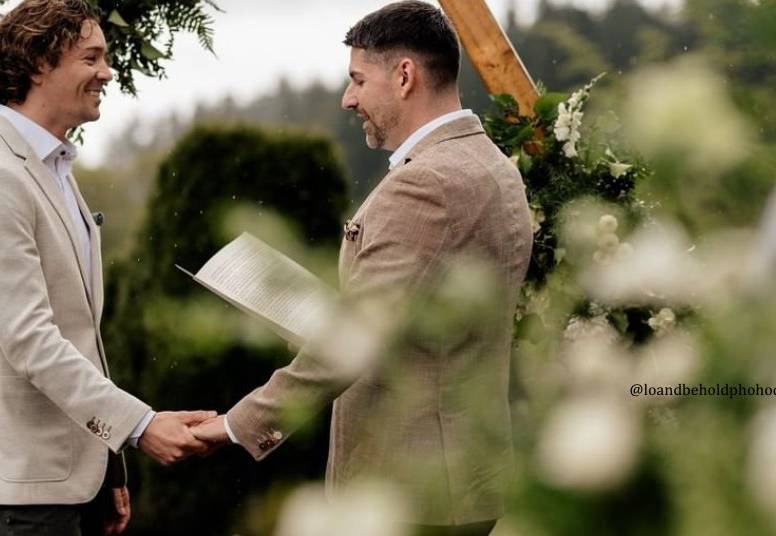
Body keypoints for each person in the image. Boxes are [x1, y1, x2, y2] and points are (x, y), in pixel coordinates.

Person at [192, 2, 532, 534]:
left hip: (411, 484)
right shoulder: (494, 166)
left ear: (404, 76)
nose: (348, 99)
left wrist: (238, 425)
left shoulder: (427, 183)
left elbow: (356, 338)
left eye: (357, 80)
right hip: (467, 474)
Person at [0, 1, 214, 534]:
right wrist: (138, 427)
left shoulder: (53, 165)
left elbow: (80, 336)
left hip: (74, 479)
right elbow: (28, 339)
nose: (108, 71)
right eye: (92, 57)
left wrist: (107, 459)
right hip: (23, 490)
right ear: (38, 62)